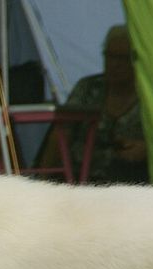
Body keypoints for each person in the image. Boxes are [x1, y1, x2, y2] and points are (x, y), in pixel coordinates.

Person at [41, 24, 147, 185]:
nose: (114, 64)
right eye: (109, 56)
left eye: (122, 58)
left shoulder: (150, 99)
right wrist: (42, 179)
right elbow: (61, 134)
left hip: (129, 182)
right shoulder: (87, 88)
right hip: (77, 179)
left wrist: (146, 150)